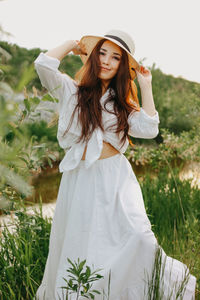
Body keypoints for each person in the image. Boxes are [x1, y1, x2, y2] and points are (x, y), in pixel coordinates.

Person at [34, 30, 196, 300]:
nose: (107, 60)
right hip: (80, 178)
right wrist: (75, 44)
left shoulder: (121, 104)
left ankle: (150, 287)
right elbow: (43, 65)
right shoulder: (72, 91)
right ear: (93, 56)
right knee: (82, 241)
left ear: (122, 65)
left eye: (115, 57)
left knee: (138, 237)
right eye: (102, 52)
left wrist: (146, 85)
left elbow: (149, 129)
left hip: (115, 178)